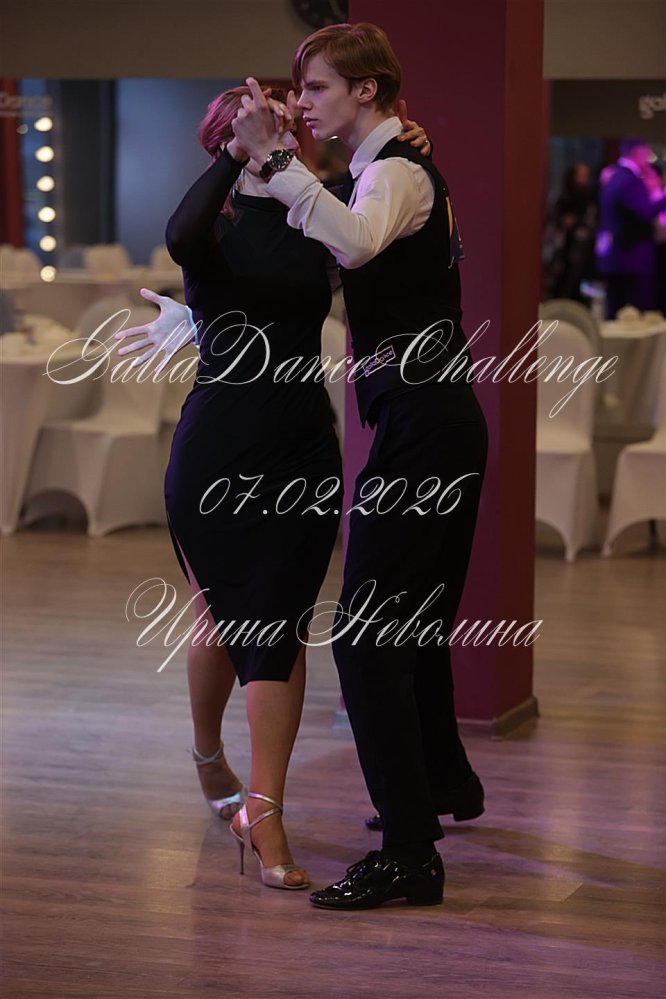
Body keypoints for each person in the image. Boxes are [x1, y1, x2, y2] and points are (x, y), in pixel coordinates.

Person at [115, 82, 430, 892]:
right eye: (267, 118)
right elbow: (182, 236)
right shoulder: (212, 222)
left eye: (289, 116)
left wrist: (401, 138)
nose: (287, 124)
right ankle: (206, 753)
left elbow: (369, 219)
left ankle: (264, 809)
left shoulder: (313, 209)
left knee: (279, 624)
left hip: (302, 449)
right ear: (228, 135)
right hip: (218, 449)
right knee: (222, 617)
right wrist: (237, 153)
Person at [231, 21, 487, 911]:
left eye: (317, 88)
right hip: (428, 419)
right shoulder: (381, 169)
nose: (303, 104)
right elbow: (323, 255)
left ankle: (410, 854)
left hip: (424, 422)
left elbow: (353, 243)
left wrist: (277, 160)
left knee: (367, 637)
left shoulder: (397, 174)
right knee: (411, 624)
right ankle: (444, 781)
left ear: (366, 90)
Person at [596, 138, 666, 317]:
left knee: (615, 309)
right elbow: (645, 212)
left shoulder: (612, 175)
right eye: (646, 154)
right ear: (637, 153)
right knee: (635, 315)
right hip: (631, 257)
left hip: (615, 256)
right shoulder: (629, 180)